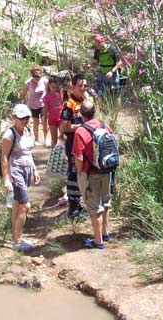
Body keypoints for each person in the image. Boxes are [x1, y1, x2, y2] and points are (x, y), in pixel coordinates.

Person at [72, 100, 115, 249]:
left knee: (93, 207)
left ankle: (98, 241)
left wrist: (80, 172)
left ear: (81, 113)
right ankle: (105, 233)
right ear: (94, 112)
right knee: (106, 202)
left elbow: (78, 156)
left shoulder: (80, 131)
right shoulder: (104, 125)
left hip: (90, 173)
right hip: (107, 170)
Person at [1, 103, 39, 252]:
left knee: (17, 204)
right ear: (14, 118)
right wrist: (6, 179)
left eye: (27, 117)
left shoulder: (29, 130)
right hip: (15, 173)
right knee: (25, 206)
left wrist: (34, 170)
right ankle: (18, 240)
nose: (25, 120)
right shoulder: (9, 135)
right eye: (21, 118)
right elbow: (4, 158)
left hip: (26, 171)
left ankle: (15, 237)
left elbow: (28, 153)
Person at [61, 73, 93, 219]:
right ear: (73, 87)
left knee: (84, 172)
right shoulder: (69, 104)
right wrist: (82, 126)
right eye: (80, 86)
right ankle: (73, 208)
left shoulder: (84, 100)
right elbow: (65, 127)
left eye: (85, 86)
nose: (83, 88)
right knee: (74, 173)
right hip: (73, 144)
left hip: (85, 144)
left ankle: (81, 204)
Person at [22, 65, 48, 145]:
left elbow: (49, 90)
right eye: (35, 77)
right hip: (33, 105)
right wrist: (24, 103)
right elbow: (23, 93)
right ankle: (36, 139)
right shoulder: (28, 83)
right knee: (35, 123)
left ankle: (46, 139)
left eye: (38, 77)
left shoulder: (45, 81)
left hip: (43, 104)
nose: (37, 79)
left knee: (44, 122)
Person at [43, 74, 63, 147]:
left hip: (61, 119)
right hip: (52, 120)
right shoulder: (47, 97)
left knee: (63, 138)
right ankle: (53, 156)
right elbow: (45, 112)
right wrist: (44, 125)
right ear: (49, 86)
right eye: (52, 87)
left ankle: (64, 156)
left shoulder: (61, 94)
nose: (54, 89)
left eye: (56, 87)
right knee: (54, 140)